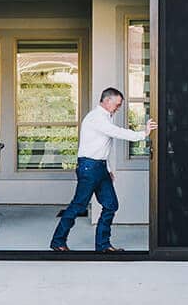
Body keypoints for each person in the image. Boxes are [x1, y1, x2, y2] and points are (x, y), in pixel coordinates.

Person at [50, 87, 157, 252]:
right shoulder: (96, 118)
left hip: (99, 168)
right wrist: (143, 134)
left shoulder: (106, 117)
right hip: (89, 167)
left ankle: (103, 245)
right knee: (78, 206)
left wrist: (107, 168)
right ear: (107, 101)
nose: (118, 108)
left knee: (111, 205)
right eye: (117, 104)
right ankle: (58, 241)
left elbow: (103, 146)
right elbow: (115, 133)